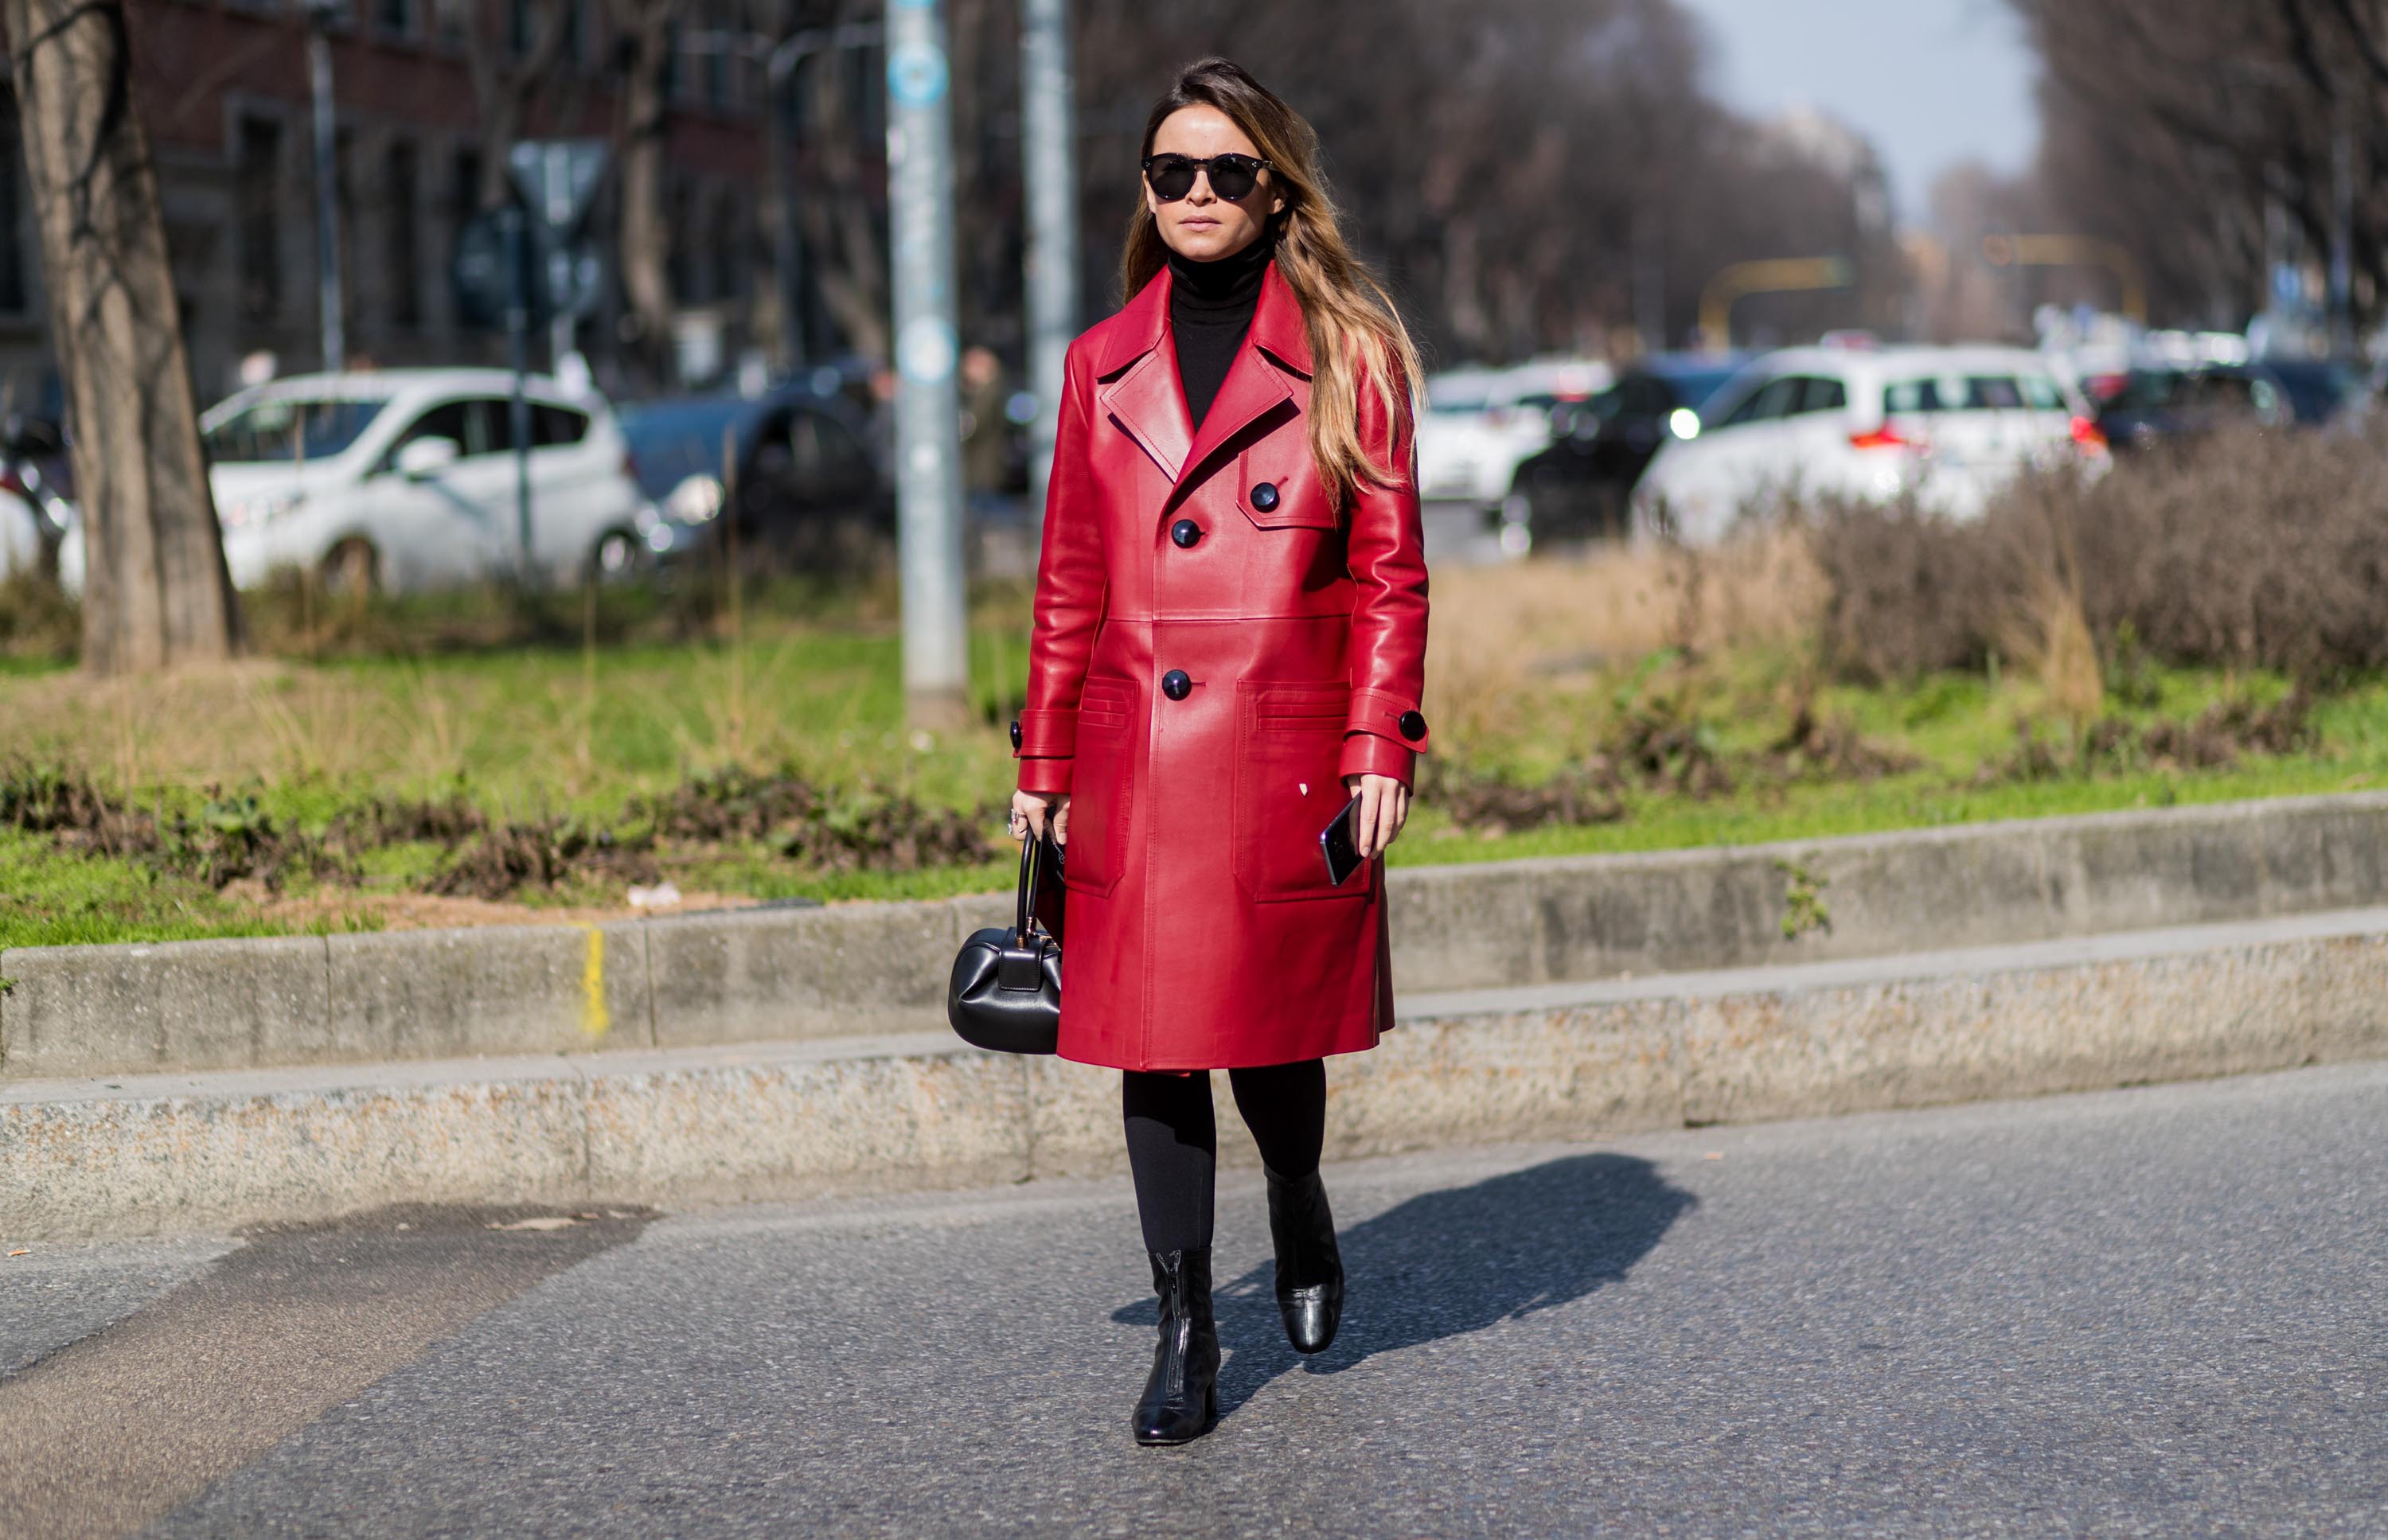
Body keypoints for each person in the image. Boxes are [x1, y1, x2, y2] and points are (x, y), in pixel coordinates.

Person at [1007, 57, 1430, 1446]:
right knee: (1156, 1049)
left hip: (1280, 750)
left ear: (1275, 189)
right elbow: (1070, 580)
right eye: (1172, 171)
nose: (1198, 194)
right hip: (1136, 752)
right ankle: (1188, 1323)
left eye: (1228, 171)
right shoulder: (1097, 361)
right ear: (1145, 188)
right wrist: (1042, 765)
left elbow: (1388, 575)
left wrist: (1381, 743)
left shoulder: (1349, 352)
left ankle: (1297, 1199)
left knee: (1265, 1045)